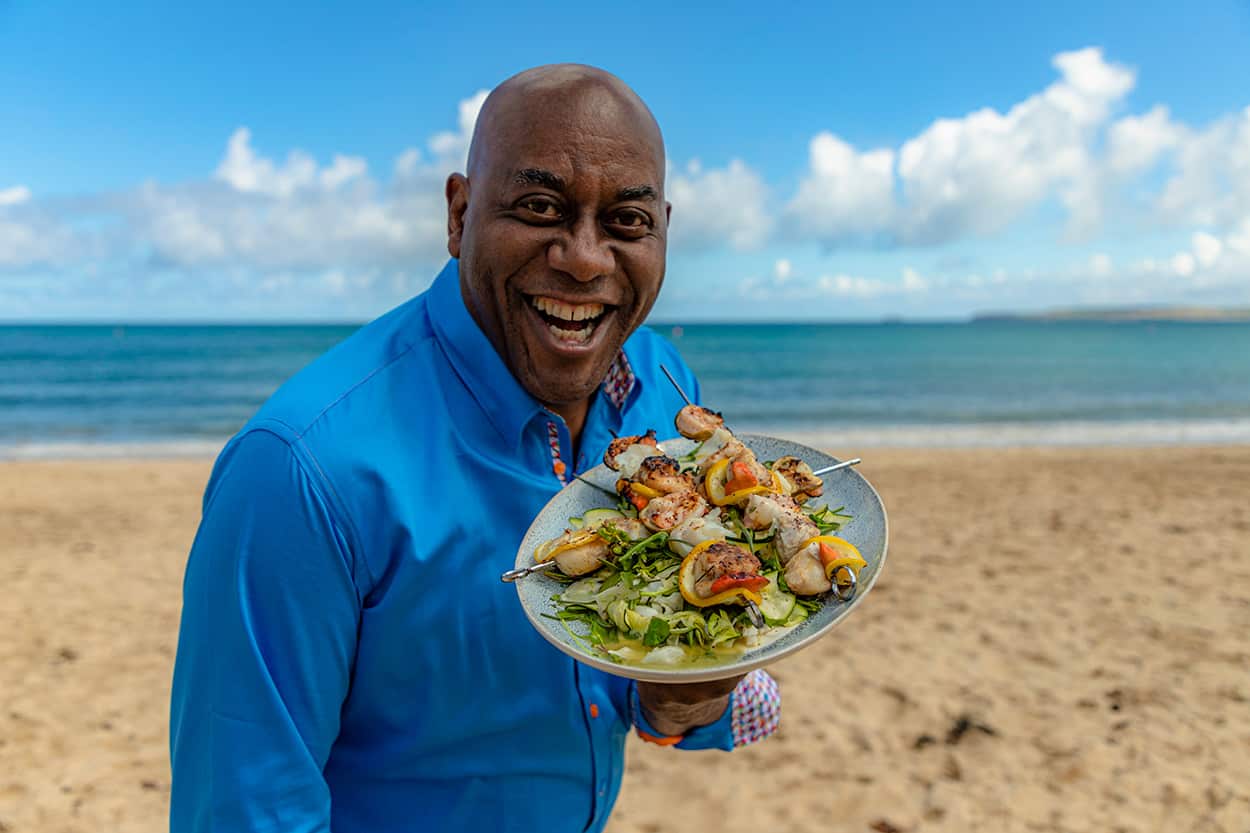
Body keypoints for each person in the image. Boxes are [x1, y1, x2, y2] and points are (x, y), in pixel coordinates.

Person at [169, 64, 780, 833]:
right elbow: (246, 811)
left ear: (662, 231)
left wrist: (681, 698)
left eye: (626, 221)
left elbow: (640, 684)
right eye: (539, 207)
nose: (586, 259)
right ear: (459, 216)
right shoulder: (298, 471)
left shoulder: (664, 385)